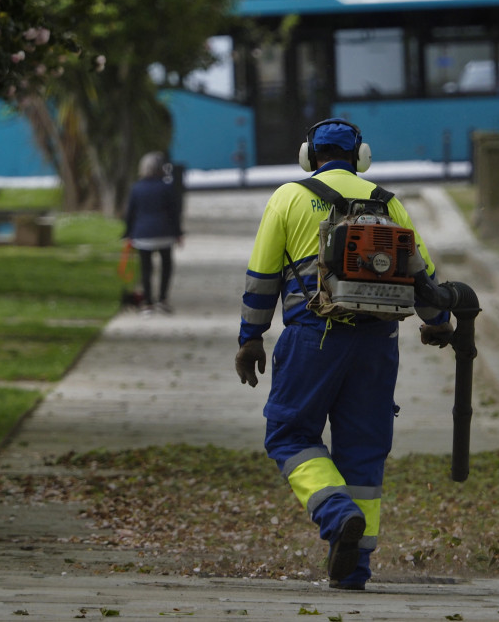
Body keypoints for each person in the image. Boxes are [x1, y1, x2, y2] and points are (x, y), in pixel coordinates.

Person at [235, 119, 454, 590]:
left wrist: (250, 337)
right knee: (364, 450)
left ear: (307, 156)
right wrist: (439, 325)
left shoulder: (288, 198)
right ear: (361, 157)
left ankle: (337, 514)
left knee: (290, 435)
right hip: (377, 344)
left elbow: (262, 277)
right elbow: (425, 278)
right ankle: (354, 570)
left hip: (312, 338)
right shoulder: (388, 203)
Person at [123, 151, 184, 315]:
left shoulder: (136, 188)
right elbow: (174, 212)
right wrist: (178, 233)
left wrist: (127, 234)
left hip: (142, 235)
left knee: (146, 269)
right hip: (164, 233)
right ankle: (163, 299)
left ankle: (147, 303)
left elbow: (131, 213)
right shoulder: (167, 187)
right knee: (166, 266)